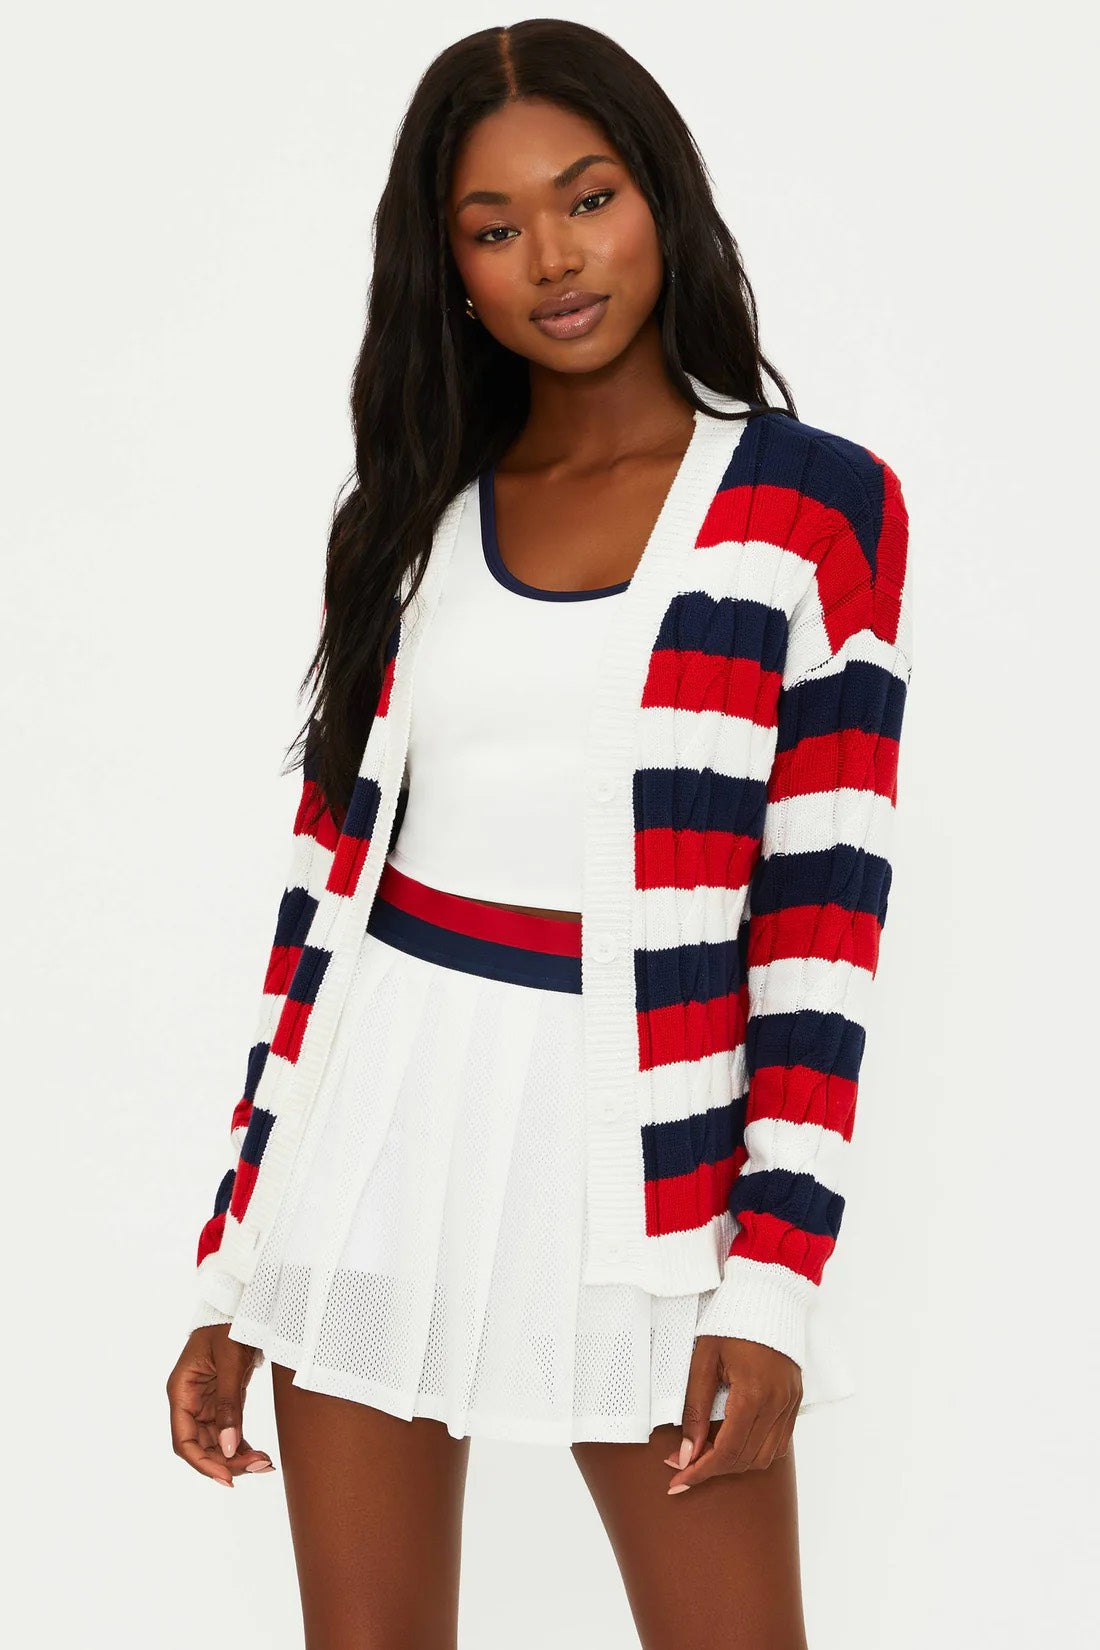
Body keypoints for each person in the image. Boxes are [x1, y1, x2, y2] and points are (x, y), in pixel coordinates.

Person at [166, 18, 913, 1648]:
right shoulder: (408, 516)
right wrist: (235, 1266)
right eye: (495, 227)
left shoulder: (811, 508)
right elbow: (321, 919)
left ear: (662, 201)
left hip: (646, 1180)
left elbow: (819, 925)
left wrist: (773, 1284)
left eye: (588, 199)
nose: (555, 259)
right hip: (375, 1150)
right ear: (446, 267)